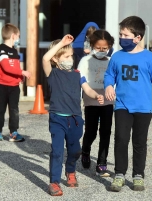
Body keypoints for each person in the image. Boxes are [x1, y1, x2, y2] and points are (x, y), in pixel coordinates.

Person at [104, 16, 152, 192]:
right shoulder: (117, 56)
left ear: (138, 38)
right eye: (120, 34)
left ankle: (138, 176)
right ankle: (119, 175)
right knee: (121, 139)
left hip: (143, 108)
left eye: (125, 35)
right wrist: (108, 86)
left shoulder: (149, 58)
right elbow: (109, 75)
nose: (121, 38)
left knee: (139, 142)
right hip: (122, 106)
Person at [42, 34, 104, 196]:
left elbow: (87, 88)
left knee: (75, 150)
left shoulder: (77, 74)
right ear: (56, 59)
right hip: (57, 118)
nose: (70, 59)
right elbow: (45, 58)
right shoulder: (52, 73)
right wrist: (61, 42)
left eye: (71, 56)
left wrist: (95, 95)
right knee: (57, 151)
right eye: (66, 56)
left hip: (75, 119)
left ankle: (70, 171)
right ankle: (54, 182)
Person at [77, 29, 115, 177]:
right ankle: (85, 151)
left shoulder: (111, 61)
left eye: (105, 48)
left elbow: (116, 79)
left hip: (107, 100)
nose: (101, 51)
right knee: (91, 131)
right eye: (98, 48)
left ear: (110, 47)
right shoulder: (85, 60)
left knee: (106, 131)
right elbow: (81, 78)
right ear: (92, 45)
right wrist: (90, 93)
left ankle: (102, 162)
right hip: (91, 99)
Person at [0, 23, 31, 142]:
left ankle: (13, 133)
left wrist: (20, 77)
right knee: (0, 109)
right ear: (13, 36)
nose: (18, 38)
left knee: (14, 110)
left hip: (14, 87)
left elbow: (14, 67)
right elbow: (6, 67)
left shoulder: (14, 51)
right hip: (1, 86)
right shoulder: (1, 49)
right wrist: (23, 72)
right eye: (18, 35)